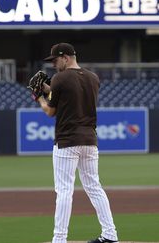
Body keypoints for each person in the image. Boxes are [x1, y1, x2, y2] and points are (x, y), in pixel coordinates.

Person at [32, 43, 119, 243]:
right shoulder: (93, 78)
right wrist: (48, 88)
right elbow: (70, 95)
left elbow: (51, 111)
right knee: (94, 187)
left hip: (67, 141)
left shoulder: (60, 78)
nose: (53, 64)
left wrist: (39, 98)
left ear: (65, 57)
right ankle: (110, 234)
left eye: (55, 60)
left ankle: (59, 239)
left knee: (64, 191)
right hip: (89, 139)